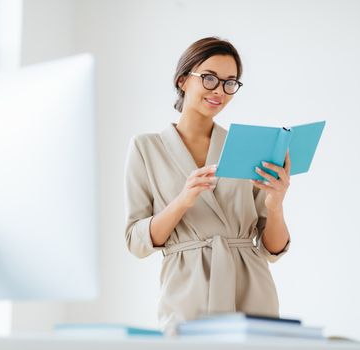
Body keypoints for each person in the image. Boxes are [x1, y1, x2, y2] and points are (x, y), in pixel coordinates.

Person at [124, 37, 291, 335]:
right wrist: (182, 201)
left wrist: (275, 204)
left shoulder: (245, 146)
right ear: (183, 79)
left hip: (252, 290)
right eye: (210, 78)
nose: (220, 91)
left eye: (230, 83)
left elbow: (271, 249)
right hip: (188, 292)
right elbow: (136, 242)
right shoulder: (146, 148)